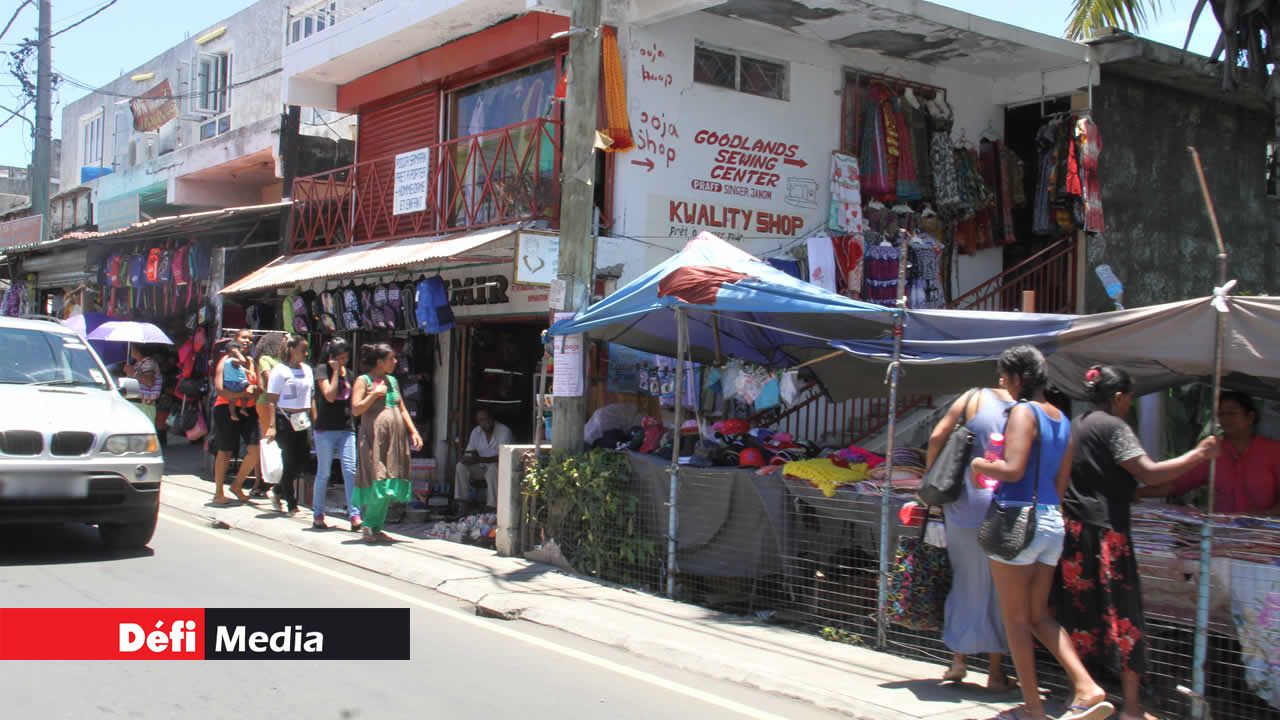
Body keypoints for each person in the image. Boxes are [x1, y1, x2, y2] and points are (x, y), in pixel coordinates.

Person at [1056, 365, 1218, 720]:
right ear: (1117, 396)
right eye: (1129, 397)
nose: (1129, 403)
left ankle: (1079, 697)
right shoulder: (1114, 427)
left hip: (1074, 534)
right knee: (1124, 619)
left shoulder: (1077, 424)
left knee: (1080, 618)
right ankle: (1131, 710)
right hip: (1107, 535)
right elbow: (1147, 470)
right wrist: (1198, 455)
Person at [969, 346, 1113, 720]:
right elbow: (1061, 483)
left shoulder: (1022, 412)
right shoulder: (1062, 419)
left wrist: (980, 463)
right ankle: (1087, 685)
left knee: (1015, 621)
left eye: (1005, 376)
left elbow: (1013, 469)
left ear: (1020, 378)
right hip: (1050, 521)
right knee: (1037, 617)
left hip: (1018, 519)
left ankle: (1033, 710)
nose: (1001, 382)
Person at [925, 386, 1014, 691]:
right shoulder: (1027, 407)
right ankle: (995, 673)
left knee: (964, 580)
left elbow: (938, 436)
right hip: (1004, 506)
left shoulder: (973, 396)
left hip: (963, 505)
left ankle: (958, 660)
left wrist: (932, 481)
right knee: (1000, 589)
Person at [352, 343, 422, 542]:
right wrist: (374, 394)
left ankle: (376, 526)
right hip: (374, 439)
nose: (396, 362)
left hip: (393, 441)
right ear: (380, 362)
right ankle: (368, 525)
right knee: (379, 480)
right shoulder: (363, 380)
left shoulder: (392, 381)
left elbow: (401, 408)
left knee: (389, 482)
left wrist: (413, 431)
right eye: (392, 358)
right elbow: (356, 409)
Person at [1167, 391, 1280, 514]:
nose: (1225, 419)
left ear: (1250, 417)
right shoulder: (1212, 450)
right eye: (1221, 414)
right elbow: (1178, 484)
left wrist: (1263, 516)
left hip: (1265, 531)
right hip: (1222, 530)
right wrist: (1143, 492)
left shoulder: (1274, 451)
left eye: (1232, 413)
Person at [263, 334, 315, 515]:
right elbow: (271, 399)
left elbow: (311, 396)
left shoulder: (307, 370)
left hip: (302, 420)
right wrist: (271, 425)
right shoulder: (280, 370)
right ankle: (291, 503)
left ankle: (277, 489)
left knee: (303, 458)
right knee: (289, 459)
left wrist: (314, 419)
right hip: (284, 418)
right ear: (292, 350)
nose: (306, 353)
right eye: (303, 349)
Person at [313, 337, 360, 532]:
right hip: (325, 428)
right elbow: (330, 396)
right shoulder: (322, 370)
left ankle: (355, 514)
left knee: (350, 471)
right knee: (324, 472)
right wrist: (334, 373)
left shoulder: (349, 374)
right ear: (331, 357)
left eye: (346, 357)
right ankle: (318, 513)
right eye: (340, 357)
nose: (344, 361)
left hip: (346, 428)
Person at [212, 329, 261, 505]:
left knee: (255, 450)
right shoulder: (225, 360)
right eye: (244, 338)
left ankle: (237, 485)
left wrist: (253, 391)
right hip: (226, 408)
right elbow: (219, 389)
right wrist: (241, 393)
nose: (247, 341)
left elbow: (257, 388)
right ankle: (218, 492)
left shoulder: (251, 362)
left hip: (249, 410)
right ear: (235, 339)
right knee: (225, 451)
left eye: (250, 339)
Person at [454, 408, 513, 511]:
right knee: (460, 466)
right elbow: (470, 451)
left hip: (500, 468)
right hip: (481, 466)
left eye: (486, 419)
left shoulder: (504, 431)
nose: (484, 422)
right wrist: (467, 458)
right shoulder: (476, 431)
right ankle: (462, 502)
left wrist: (479, 459)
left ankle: (492, 505)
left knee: (493, 468)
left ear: (491, 418)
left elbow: (502, 457)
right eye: (481, 420)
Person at [251, 332, 287, 498]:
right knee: (268, 442)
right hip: (266, 402)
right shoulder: (265, 359)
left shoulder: (283, 360)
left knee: (278, 443)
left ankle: (273, 482)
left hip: (281, 404)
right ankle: (261, 482)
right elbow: (268, 378)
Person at [122, 344, 162, 426]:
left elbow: (149, 382)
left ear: (137, 350)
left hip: (144, 405)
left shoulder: (148, 362)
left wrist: (133, 373)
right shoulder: (137, 364)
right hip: (137, 404)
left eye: (132, 348)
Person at [222, 343, 250, 422]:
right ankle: (243, 408)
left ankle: (233, 414)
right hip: (237, 383)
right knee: (246, 395)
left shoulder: (228, 361)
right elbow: (243, 361)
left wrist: (249, 372)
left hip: (230, 383)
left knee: (232, 400)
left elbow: (241, 368)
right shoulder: (232, 360)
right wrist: (238, 353)